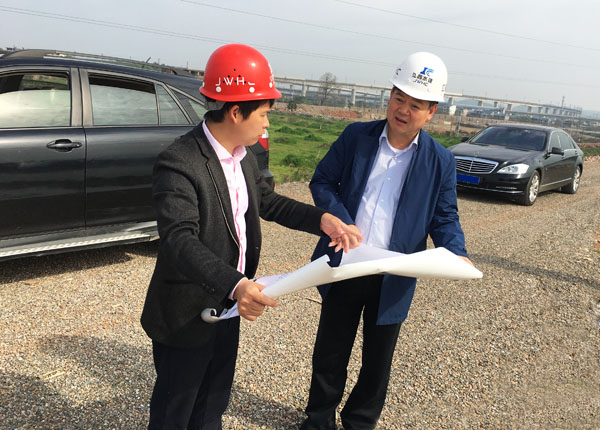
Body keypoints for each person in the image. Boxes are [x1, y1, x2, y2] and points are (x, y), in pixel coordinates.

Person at [140, 43, 361, 430]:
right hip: (187, 311)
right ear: (235, 111)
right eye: (263, 113)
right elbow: (179, 241)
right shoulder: (179, 162)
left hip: (229, 305)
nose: (267, 124)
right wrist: (238, 284)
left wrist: (324, 220)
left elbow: (268, 202)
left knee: (212, 405)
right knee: (176, 412)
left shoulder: (243, 156)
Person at [301, 52, 472, 430]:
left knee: (378, 360)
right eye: (399, 98)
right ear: (389, 96)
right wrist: (340, 221)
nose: (403, 110)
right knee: (330, 351)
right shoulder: (356, 137)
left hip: (394, 272)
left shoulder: (440, 161)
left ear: (431, 112)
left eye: (415, 105)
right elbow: (323, 182)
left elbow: (445, 216)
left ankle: (359, 422)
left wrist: (456, 253)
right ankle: (318, 420)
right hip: (345, 261)